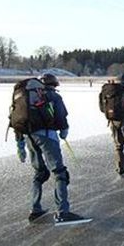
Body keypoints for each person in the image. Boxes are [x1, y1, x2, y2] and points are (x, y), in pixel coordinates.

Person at [15, 74, 81, 223]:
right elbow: (61, 116)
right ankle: (63, 212)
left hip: (28, 136)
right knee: (59, 172)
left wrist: (20, 145)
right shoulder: (53, 96)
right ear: (54, 84)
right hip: (47, 136)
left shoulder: (25, 97)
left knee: (40, 172)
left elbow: (17, 120)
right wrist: (64, 130)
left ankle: (35, 209)